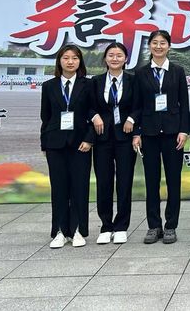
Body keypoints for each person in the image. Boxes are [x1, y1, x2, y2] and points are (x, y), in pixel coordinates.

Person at [133, 30, 189, 245]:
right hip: (149, 133)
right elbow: (137, 105)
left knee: (174, 181)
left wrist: (184, 130)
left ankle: (170, 225)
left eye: (162, 43)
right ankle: (154, 226)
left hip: (173, 134)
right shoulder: (141, 73)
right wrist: (137, 132)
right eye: (154, 43)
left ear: (169, 46)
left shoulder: (177, 71)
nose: (158, 46)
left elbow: (184, 103)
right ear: (149, 46)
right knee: (152, 181)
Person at [40, 44, 94, 248]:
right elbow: (45, 117)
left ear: (80, 61)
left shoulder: (88, 84)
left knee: (80, 187)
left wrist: (89, 139)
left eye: (75, 58)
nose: (70, 62)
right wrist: (44, 144)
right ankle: (60, 231)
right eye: (66, 58)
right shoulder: (49, 86)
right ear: (59, 61)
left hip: (81, 144)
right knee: (59, 188)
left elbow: (94, 113)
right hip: (55, 144)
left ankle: (79, 230)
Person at [90, 42, 139, 245]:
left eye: (119, 55)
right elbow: (87, 105)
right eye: (111, 55)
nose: (115, 58)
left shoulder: (133, 80)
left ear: (126, 59)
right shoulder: (96, 81)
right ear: (105, 59)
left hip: (125, 138)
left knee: (124, 182)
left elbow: (140, 105)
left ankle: (121, 226)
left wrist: (132, 119)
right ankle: (106, 226)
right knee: (104, 182)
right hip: (102, 138)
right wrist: (94, 116)